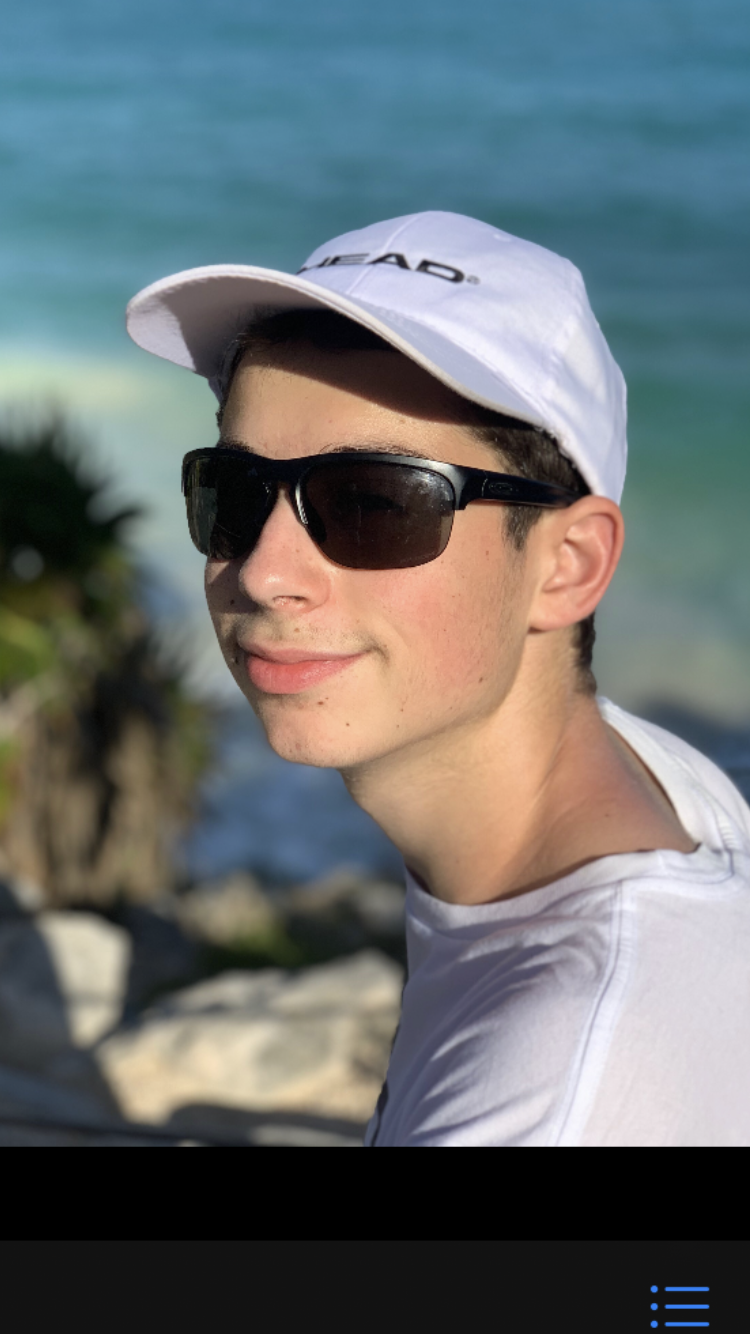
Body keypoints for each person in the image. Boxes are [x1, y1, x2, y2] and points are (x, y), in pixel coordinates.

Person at [127, 211, 750, 1146]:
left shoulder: (556, 1088)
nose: (263, 572)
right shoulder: (653, 788)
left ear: (568, 565)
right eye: (237, 492)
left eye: (375, 503)